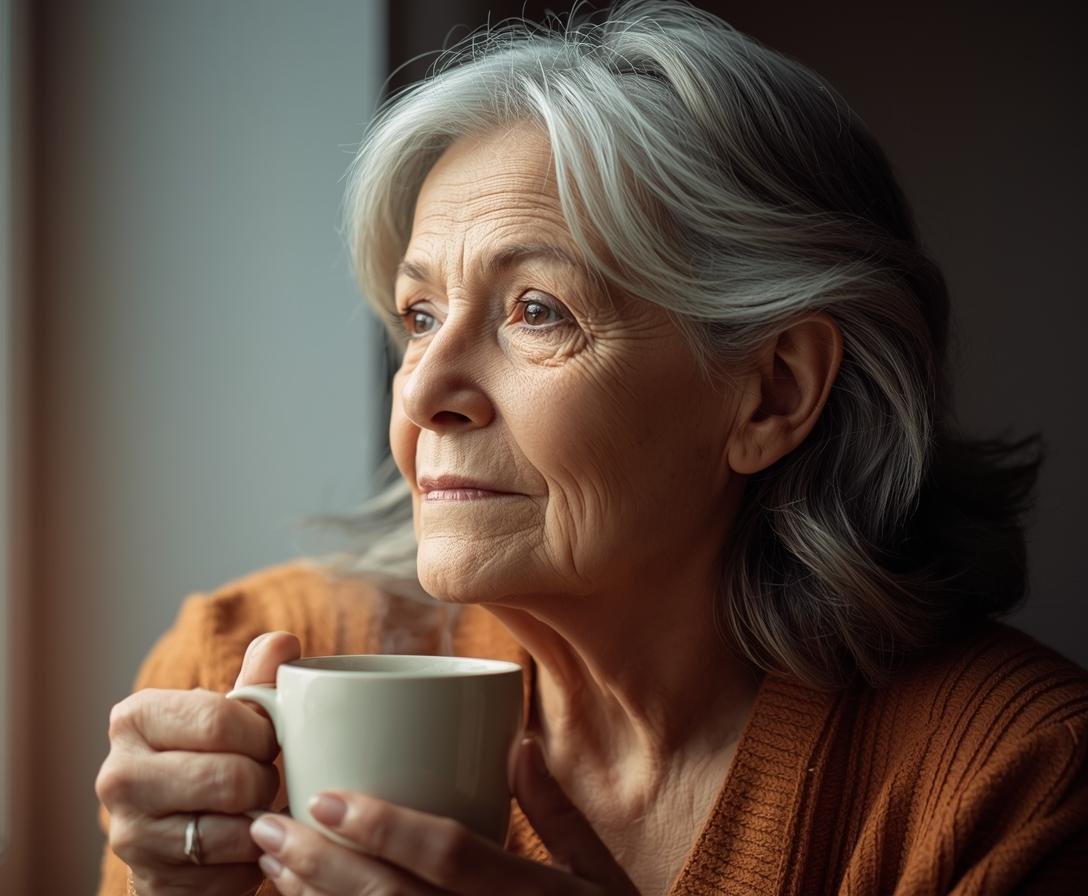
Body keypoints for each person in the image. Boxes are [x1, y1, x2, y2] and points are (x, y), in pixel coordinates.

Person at [94, 2, 1088, 893]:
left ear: (771, 392)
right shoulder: (243, 677)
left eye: (536, 310)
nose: (425, 393)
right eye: (419, 314)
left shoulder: (1016, 780)